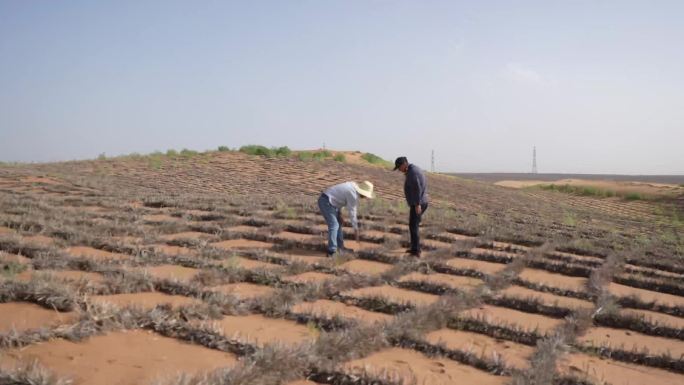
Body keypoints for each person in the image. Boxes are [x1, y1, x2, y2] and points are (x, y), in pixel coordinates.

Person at [318, 181, 375, 257]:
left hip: (332, 203)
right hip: (326, 202)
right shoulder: (353, 194)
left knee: (338, 223)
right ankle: (331, 251)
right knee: (334, 225)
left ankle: (340, 248)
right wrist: (356, 230)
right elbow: (352, 214)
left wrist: (340, 214)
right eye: (365, 195)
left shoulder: (353, 187)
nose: (365, 197)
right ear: (363, 193)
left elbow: (339, 199)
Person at [394, 156, 428, 257]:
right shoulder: (412, 170)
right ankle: (414, 248)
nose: (399, 170)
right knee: (413, 225)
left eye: (399, 167)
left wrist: (417, 204)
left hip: (418, 203)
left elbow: (417, 188)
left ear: (404, 164)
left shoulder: (413, 173)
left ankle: (416, 251)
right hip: (419, 202)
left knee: (414, 226)